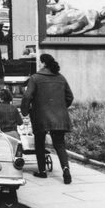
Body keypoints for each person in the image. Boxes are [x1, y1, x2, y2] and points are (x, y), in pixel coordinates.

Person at [21, 53, 74, 184]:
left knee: (39, 142)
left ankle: (42, 171)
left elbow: (27, 96)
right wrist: (60, 107)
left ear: (43, 63)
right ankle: (66, 170)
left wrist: (25, 111)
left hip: (40, 115)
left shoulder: (35, 78)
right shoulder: (61, 78)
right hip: (59, 116)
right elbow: (70, 97)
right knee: (60, 144)